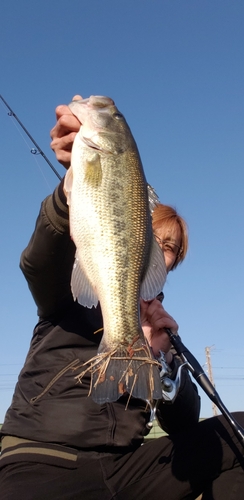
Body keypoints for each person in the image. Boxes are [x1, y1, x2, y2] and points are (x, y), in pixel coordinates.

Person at [0, 97, 243, 500]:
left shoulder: (160, 321)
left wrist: (163, 361)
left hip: (126, 468)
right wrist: (68, 198)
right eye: (159, 238)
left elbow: (183, 423)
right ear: (136, 229)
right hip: (43, 458)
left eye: (173, 250)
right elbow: (37, 263)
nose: (164, 252)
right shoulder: (69, 287)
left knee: (235, 439)